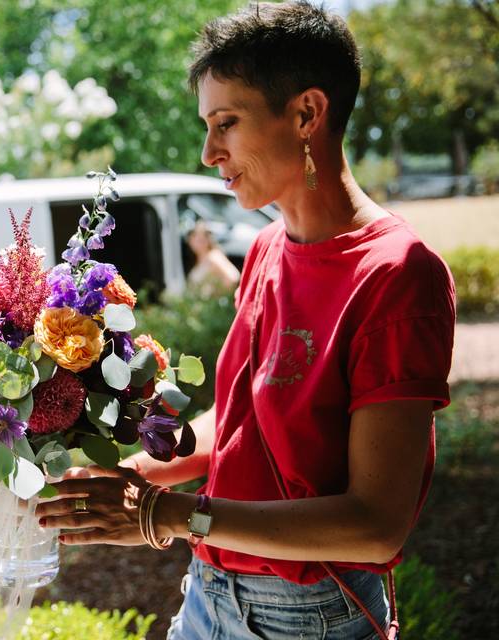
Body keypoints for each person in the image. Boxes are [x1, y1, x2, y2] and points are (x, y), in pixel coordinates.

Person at [36, 3, 455, 639]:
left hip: (308, 614)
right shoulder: (264, 250)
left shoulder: (397, 274)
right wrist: (131, 475)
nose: (209, 153)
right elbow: (237, 426)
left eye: (226, 123)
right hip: (208, 590)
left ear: (307, 113)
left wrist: (166, 514)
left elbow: (375, 527)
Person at [185, 220, 240, 297]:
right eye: (193, 237)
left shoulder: (214, 256)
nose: (195, 241)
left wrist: (216, 295)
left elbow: (233, 277)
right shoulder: (199, 259)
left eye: (200, 239)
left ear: (207, 239)